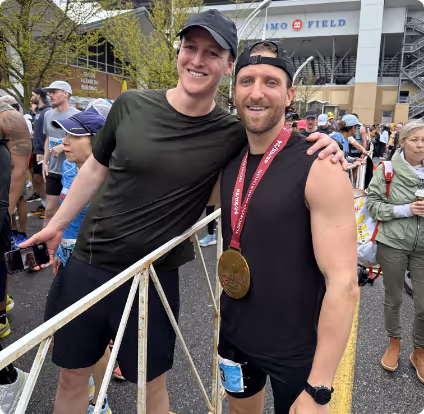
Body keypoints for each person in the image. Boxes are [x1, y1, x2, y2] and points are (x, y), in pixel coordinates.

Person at [21, 10, 344, 414]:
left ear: (228, 66)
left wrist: (329, 145)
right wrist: (57, 224)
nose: (196, 59)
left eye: (211, 53)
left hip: (154, 277)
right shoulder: (131, 104)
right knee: (71, 378)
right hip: (88, 264)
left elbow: (274, 142)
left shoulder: (231, 132)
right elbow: (95, 167)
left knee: (151, 389)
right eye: (190, 47)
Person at [218, 41, 359, 413]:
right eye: (246, 81)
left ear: (289, 94)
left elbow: (344, 284)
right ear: (234, 92)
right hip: (234, 333)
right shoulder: (227, 157)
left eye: (271, 82)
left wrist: (320, 388)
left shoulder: (320, 165)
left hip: (297, 351)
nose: (257, 92)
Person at [45, 111, 112, 414]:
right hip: (68, 261)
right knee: (69, 341)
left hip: (94, 268)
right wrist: (60, 253)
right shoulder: (72, 169)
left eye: (74, 136)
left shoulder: (109, 180)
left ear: (96, 141)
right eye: (64, 135)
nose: (65, 142)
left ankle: (99, 400)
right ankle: (89, 394)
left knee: (92, 340)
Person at [366, 120, 424, 384]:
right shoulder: (387, 169)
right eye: (415, 139)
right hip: (394, 243)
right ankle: (394, 342)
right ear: (402, 142)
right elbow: (373, 205)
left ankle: (419, 351)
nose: (421, 144)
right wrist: (406, 210)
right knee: (394, 298)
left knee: (423, 304)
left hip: (423, 247)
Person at [0, 99, 30, 413]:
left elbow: (18, 172)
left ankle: (8, 379)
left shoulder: (8, 118)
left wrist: (5, 216)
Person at [42, 81, 79, 224]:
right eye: (49, 92)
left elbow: (85, 141)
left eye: (54, 92)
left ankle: (67, 244)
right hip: (54, 170)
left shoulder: (77, 115)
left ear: (66, 93)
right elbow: (47, 139)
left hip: (72, 170)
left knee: (71, 213)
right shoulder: (47, 115)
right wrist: (45, 162)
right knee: (50, 211)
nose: (51, 95)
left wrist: (63, 146)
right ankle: (44, 245)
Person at [27, 88, 51, 215]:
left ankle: (49, 207)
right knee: (37, 179)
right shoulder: (38, 111)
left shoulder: (47, 111)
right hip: (37, 152)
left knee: (43, 178)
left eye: (32, 95)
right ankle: (44, 204)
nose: (31, 98)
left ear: (38, 95)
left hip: (43, 152)